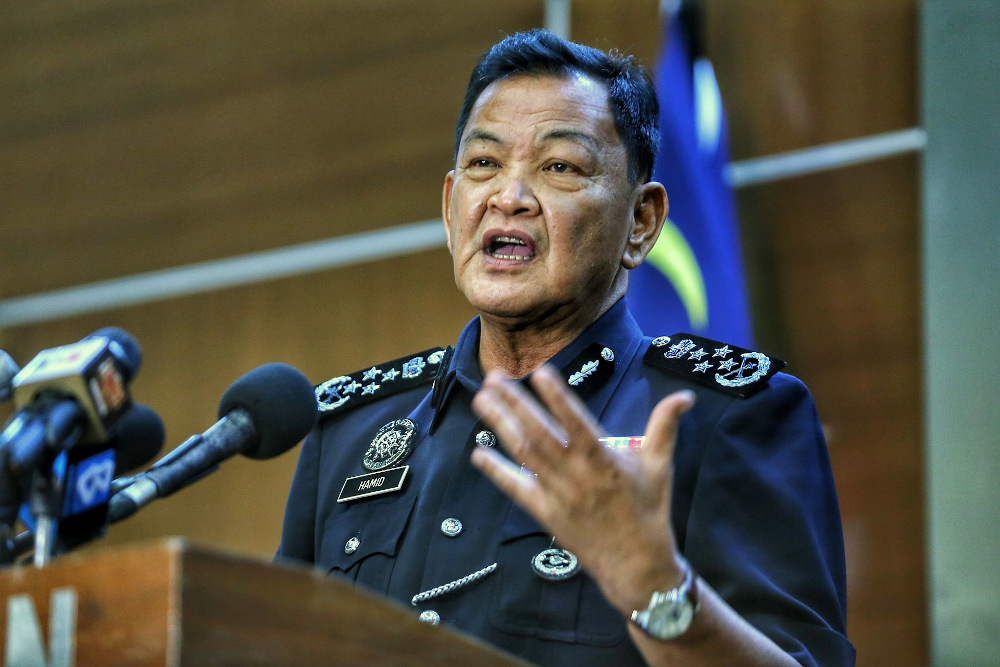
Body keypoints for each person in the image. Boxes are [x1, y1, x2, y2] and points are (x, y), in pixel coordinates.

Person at [278, 29, 854, 666]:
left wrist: (658, 587)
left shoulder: (726, 416)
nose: (509, 196)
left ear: (641, 224)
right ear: (450, 210)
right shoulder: (347, 428)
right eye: (484, 164)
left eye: (559, 167)